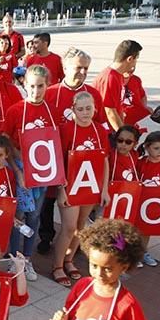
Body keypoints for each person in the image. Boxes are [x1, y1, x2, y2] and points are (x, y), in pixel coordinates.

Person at [3, 65, 59, 280]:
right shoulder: (15, 110)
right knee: (18, 215)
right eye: (32, 86)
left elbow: (53, 143)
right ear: (24, 84)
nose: (36, 91)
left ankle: (27, 258)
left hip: (42, 172)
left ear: (47, 85)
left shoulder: (51, 111)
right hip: (19, 169)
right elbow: (6, 141)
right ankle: (14, 258)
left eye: (41, 86)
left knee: (34, 214)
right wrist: (18, 171)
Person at [51, 92, 111, 286]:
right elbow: (58, 162)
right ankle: (57, 265)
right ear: (73, 110)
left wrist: (104, 189)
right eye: (80, 109)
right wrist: (61, 190)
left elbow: (104, 160)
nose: (85, 113)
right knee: (68, 227)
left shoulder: (100, 130)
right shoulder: (67, 129)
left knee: (80, 226)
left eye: (88, 108)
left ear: (94, 108)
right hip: (71, 185)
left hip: (90, 184)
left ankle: (69, 260)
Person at [136, 131, 160, 268]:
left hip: (156, 202)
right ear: (147, 147)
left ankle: (143, 252)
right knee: (136, 229)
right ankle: (133, 253)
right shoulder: (140, 163)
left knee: (147, 229)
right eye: (156, 148)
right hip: (140, 201)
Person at [95, 40, 146, 131]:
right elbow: (109, 111)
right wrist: (122, 134)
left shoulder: (117, 76)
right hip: (106, 130)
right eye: (136, 59)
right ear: (130, 59)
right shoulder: (110, 77)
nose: (135, 63)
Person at [46, 47, 104, 125]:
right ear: (65, 69)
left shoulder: (93, 94)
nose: (83, 72)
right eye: (79, 68)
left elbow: (101, 123)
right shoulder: (49, 93)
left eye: (85, 68)